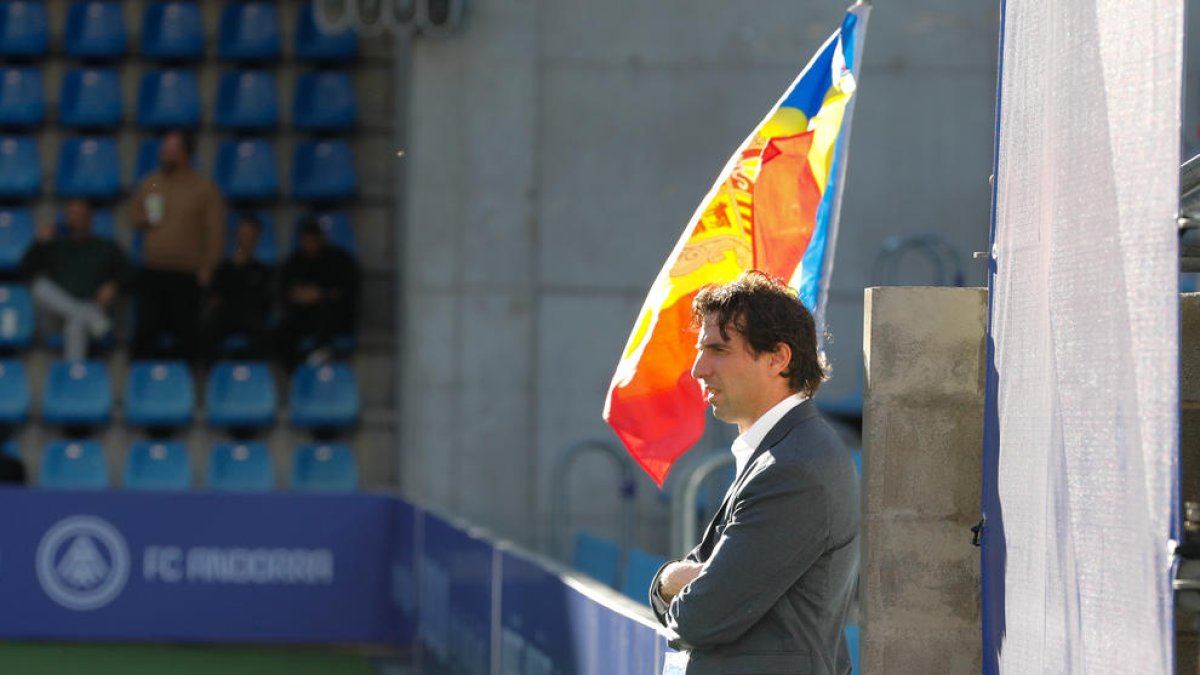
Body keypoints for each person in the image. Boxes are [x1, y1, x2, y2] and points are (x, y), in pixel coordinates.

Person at [649, 271, 860, 674]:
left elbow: (701, 618)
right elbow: (708, 596)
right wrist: (686, 582)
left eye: (718, 350)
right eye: (700, 349)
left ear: (778, 358)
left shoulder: (794, 467)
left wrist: (671, 579)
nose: (698, 368)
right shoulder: (781, 453)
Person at [129, 129, 225, 361]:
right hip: (153, 273)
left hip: (186, 276)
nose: (165, 154)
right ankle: (143, 390)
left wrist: (206, 269)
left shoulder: (204, 189)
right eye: (164, 150)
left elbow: (215, 234)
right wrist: (144, 218)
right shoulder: (151, 183)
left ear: (185, 154)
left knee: (188, 339)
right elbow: (133, 214)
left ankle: (184, 392)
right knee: (145, 337)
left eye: (171, 150)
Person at [20, 200, 130, 361]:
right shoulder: (55, 245)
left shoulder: (106, 246)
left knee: (75, 324)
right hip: (57, 313)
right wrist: (39, 243)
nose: (77, 219)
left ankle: (74, 374)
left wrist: (113, 285)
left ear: (90, 217)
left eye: (81, 215)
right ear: (66, 218)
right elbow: (24, 271)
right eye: (73, 215)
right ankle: (91, 317)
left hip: (93, 303)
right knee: (39, 286)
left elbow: (128, 274)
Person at [277, 218, 359, 367]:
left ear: (321, 239)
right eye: (306, 240)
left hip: (329, 318)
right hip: (302, 316)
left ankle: (319, 355)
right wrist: (299, 296)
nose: (309, 245)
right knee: (284, 328)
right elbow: (285, 291)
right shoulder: (293, 263)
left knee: (327, 312)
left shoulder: (338, 260)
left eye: (313, 240)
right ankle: (293, 371)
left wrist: (319, 294)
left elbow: (345, 292)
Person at [200, 214, 274, 363]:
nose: (245, 239)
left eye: (249, 235)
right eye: (242, 234)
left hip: (250, 317)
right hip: (225, 315)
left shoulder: (261, 270)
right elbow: (214, 296)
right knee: (206, 331)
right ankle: (211, 379)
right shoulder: (224, 268)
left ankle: (257, 377)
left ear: (256, 238)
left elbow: (265, 300)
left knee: (264, 334)